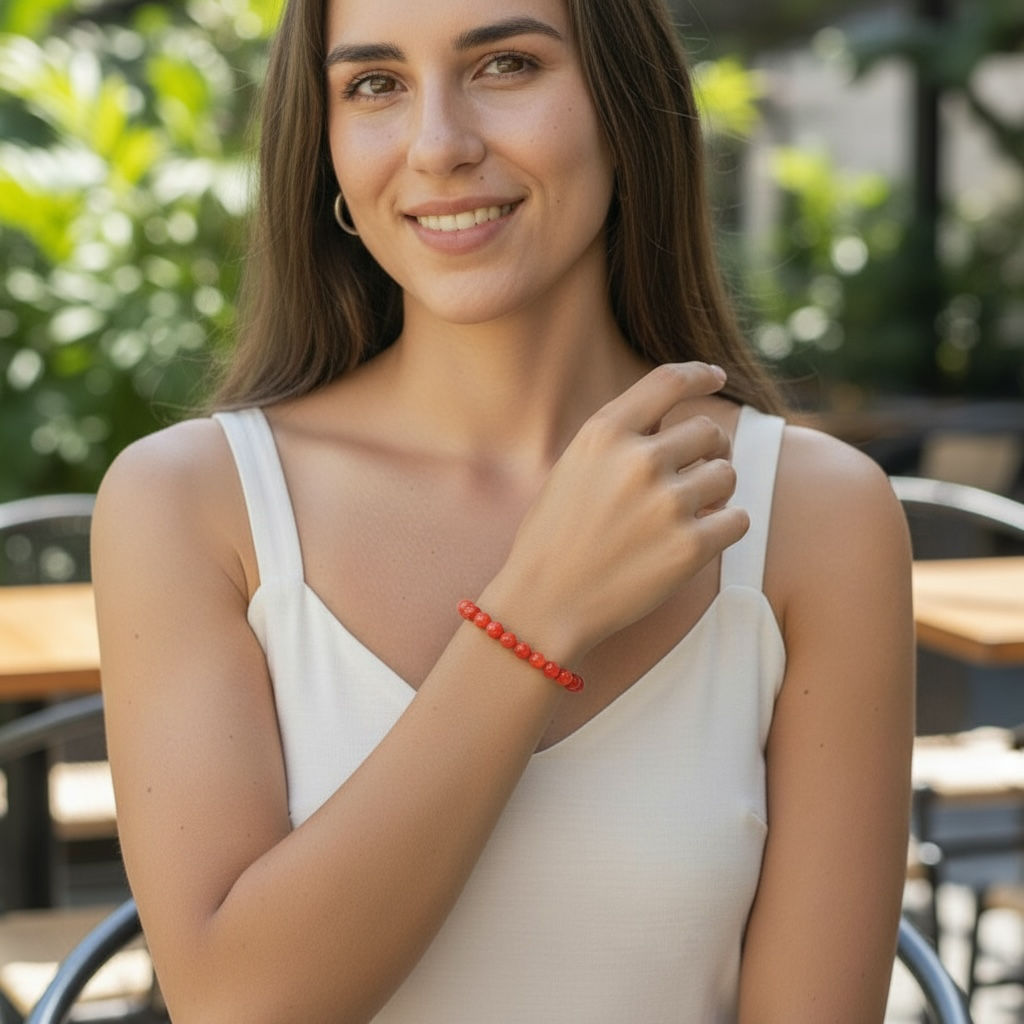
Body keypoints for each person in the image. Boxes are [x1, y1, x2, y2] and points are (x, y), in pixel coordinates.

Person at [91, 0, 915, 1020]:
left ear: (626, 108)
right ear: (329, 152)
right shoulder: (191, 503)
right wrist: (533, 616)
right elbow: (234, 1003)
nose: (438, 146)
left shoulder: (817, 518)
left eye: (507, 64)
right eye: (375, 85)